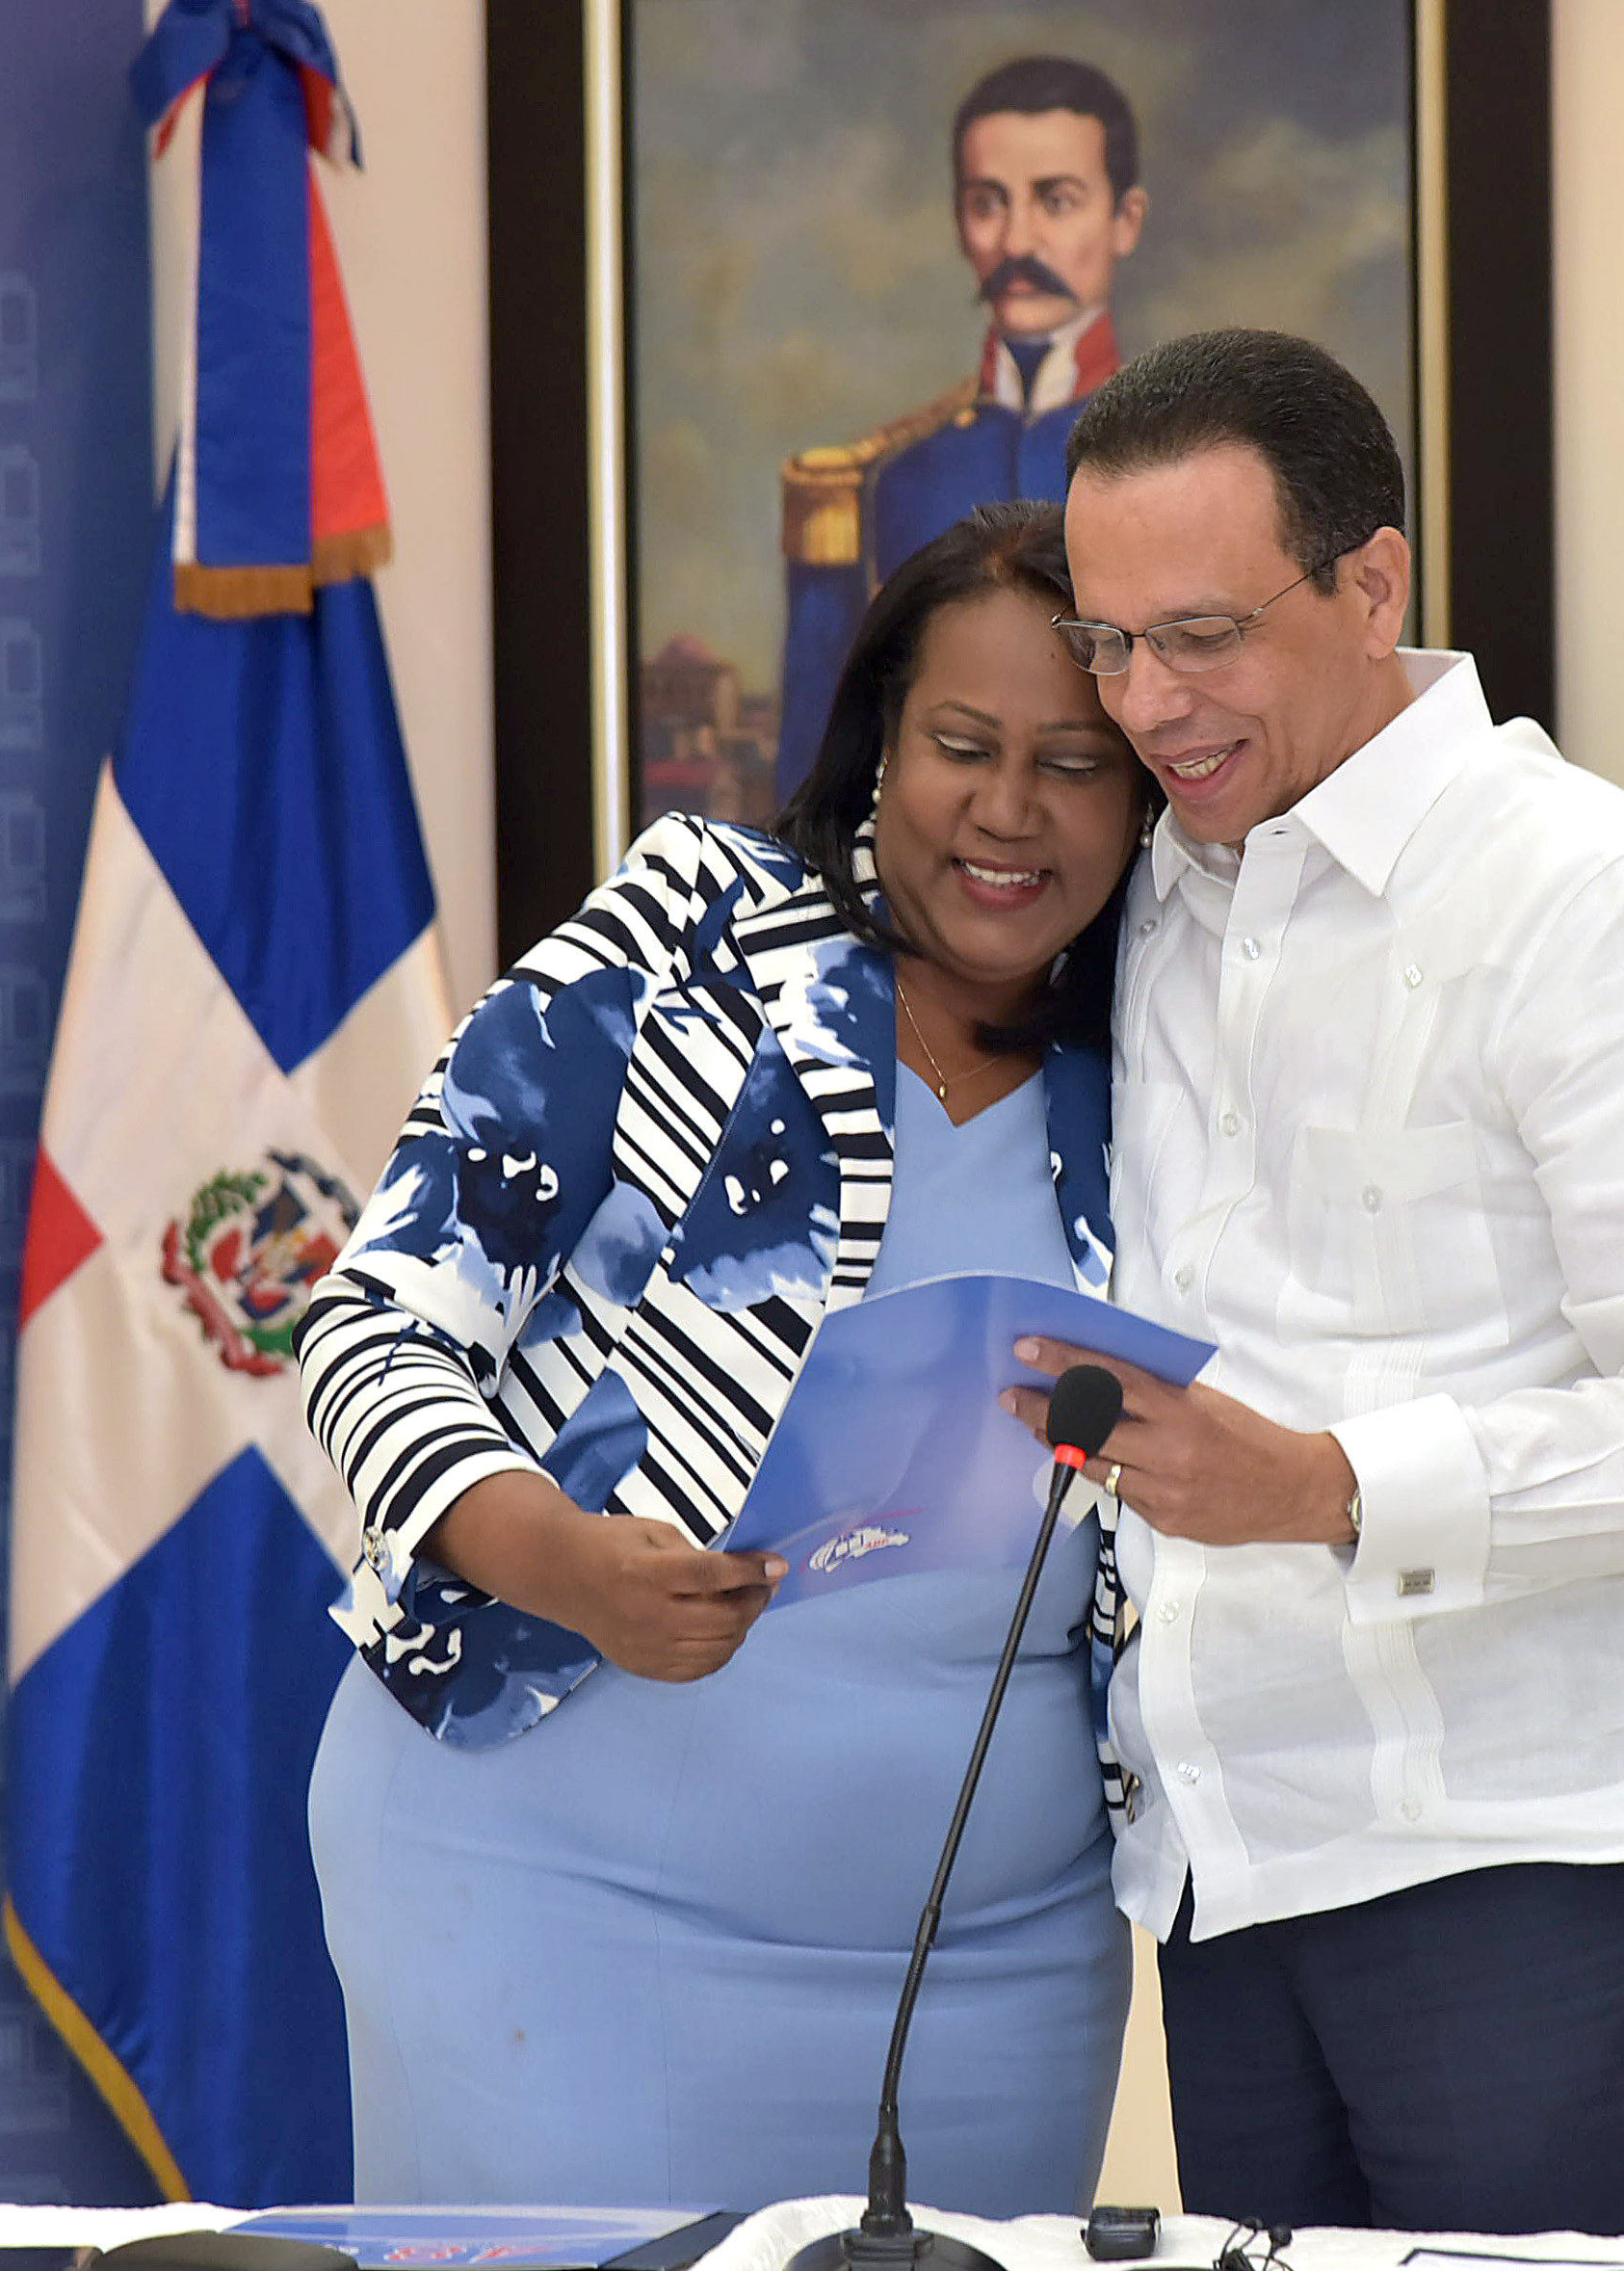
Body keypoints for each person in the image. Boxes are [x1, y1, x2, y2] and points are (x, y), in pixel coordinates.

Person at [1008, 330, 1624, 2238]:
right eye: (1108, 641)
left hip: (1553, 1862)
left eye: (1200, 633)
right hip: (1231, 1867)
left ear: (1371, 584)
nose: (1144, 700)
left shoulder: (1578, 896)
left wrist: (1331, 1484)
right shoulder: (1159, 896)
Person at [296, 501, 1151, 2212]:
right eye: (961, 746)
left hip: (994, 1974)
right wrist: (558, 1558)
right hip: (548, 1908)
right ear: (879, 746)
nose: (1009, 809)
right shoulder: (698, 927)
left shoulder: (1170, 1038)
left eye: (1074, 765)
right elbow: (372, 1321)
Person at [776, 55, 1147, 796]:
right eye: (987, 203)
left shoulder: (1176, 460)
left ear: (1124, 221)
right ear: (958, 222)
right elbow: (817, 767)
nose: (1017, 243)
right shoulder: (886, 478)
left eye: (1056, 200)